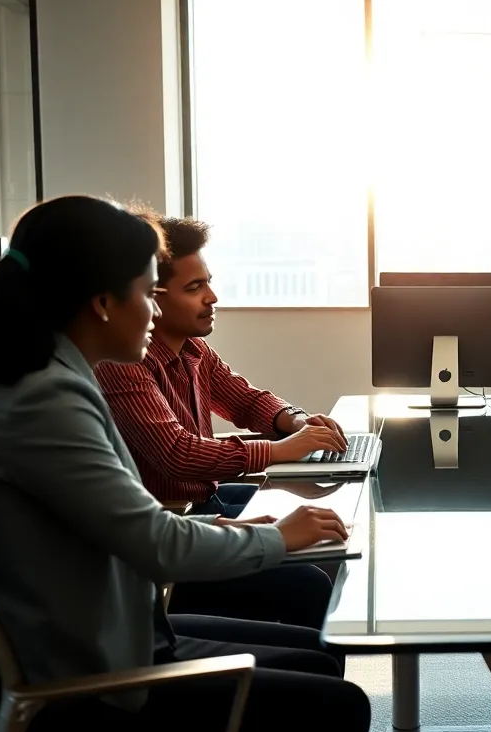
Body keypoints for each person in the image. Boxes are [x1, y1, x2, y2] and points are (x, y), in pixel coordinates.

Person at [0, 196, 371, 732]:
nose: (155, 310)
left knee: (318, 660)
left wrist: (234, 527)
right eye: (146, 292)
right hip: (90, 675)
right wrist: (278, 540)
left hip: (93, 635)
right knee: (336, 703)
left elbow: (116, 522)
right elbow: (155, 542)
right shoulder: (45, 398)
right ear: (103, 302)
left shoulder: (23, 377)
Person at [94, 212, 345, 630]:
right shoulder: (121, 364)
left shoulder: (193, 349)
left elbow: (246, 401)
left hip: (201, 505)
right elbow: (177, 454)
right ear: (150, 296)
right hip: (170, 531)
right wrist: (279, 451)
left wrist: (294, 421)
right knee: (309, 582)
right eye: (195, 288)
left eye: (208, 282)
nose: (212, 297)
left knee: (327, 536)